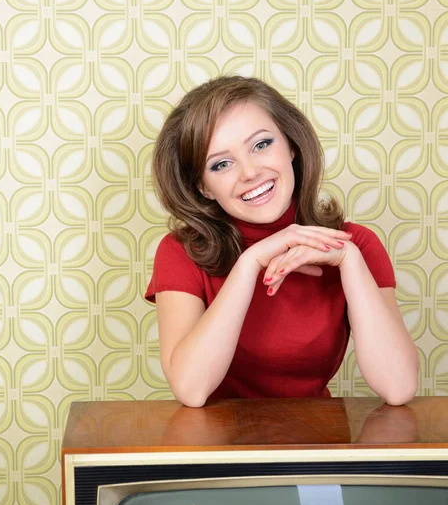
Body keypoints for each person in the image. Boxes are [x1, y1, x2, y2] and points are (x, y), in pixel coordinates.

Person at [145, 76, 418, 408]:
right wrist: (249, 264)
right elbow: (192, 389)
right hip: (216, 450)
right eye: (221, 164)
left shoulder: (356, 243)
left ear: (291, 145)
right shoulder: (180, 252)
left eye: (261, 145)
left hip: (318, 446)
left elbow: (399, 387)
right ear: (202, 187)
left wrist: (349, 261)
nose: (249, 172)